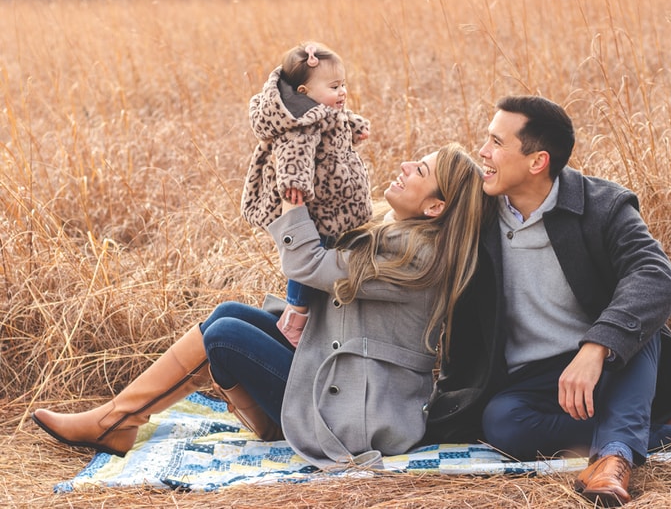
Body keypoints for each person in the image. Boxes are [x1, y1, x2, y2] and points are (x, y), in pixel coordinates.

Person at [32, 143, 489, 468]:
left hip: (355, 414)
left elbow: (310, 263)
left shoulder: (416, 258)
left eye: (421, 171)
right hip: (337, 375)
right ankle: (119, 420)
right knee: (229, 313)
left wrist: (295, 206)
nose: (407, 165)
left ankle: (117, 421)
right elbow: (327, 243)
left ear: (434, 208)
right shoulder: (396, 232)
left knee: (225, 339)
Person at [423, 96, 671, 506]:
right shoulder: (476, 210)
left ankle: (612, 461)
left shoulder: (602, 206)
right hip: (534, 381)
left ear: (537, 162)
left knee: (641, 331)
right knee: (501, 424)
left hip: (612, 366)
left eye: (496, 142)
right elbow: (410, 199)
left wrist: (596, 346)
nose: (483, 151)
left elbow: (656, 277)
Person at [242, 41, 372, 347]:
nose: (342, 93)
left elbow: (339, 122)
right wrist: (293, 185)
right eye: (334, 87)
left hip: (332, 201)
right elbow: (293, 155)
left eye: (343, 85)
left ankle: (311, 311)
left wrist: (356, 128)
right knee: (309, 261)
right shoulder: (301, 125)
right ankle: (295, 315)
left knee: (326, 254)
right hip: (317, 207)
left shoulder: (323, 111)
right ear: (304, 93)